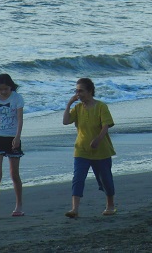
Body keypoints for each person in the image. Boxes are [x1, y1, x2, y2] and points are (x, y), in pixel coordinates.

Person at [63, 78, 116, 218]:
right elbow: (66, 121)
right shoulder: (78, 108)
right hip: (81, 149)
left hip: (101, 150)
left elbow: (106, 126)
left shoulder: (101, 107)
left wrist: (98, 140)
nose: (78, 94)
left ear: (90, 91)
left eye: (81, 91)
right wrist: (69, 103)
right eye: (76, 91)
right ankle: (74, 208)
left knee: (105, 179)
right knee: (78, 178)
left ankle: (110, 205)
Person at [0, 73, 24, 220]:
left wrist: (17, 137)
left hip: (13, 137)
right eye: (0, 89)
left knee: (14, 174)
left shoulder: (17, 98)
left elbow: (20, 119)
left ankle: (18, 206)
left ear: (11, 87)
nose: (3, 92)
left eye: (6, 89)